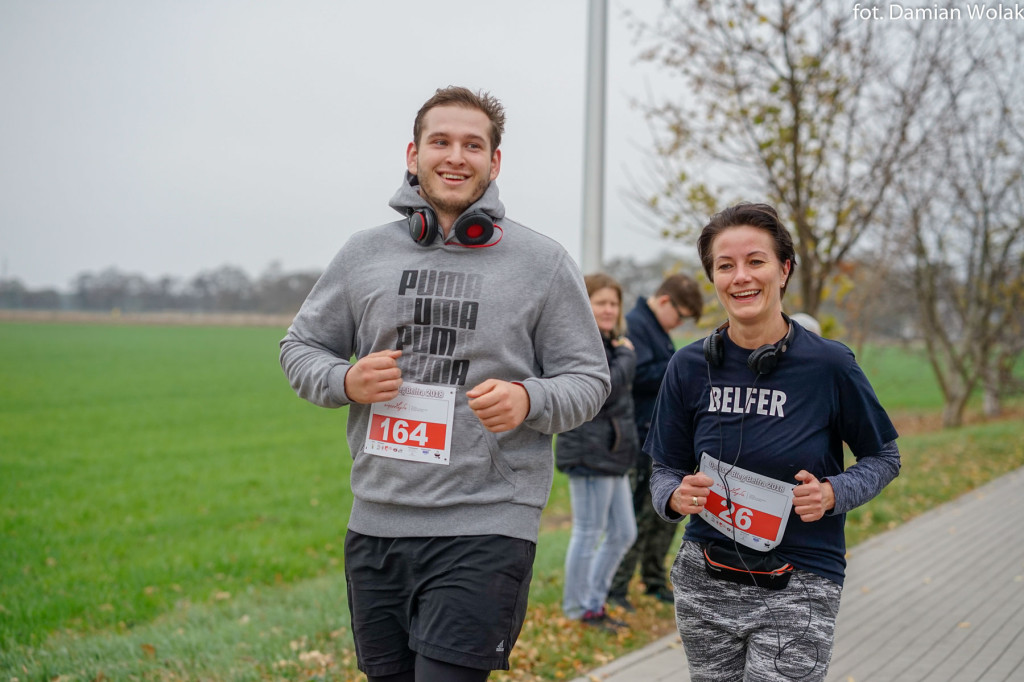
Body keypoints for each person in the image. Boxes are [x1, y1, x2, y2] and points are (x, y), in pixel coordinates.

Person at [279, 86, 611, 682]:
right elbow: (299, 348)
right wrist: (346, 379)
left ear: (494, 161)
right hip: (377, 521)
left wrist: (529, 398)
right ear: (413, 154)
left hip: (488, 522)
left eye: (472, 145)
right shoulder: (362, 254)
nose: (456, 156)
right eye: (441, 142)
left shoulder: (543, 262)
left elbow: (589, 379)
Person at [646, 202, 901, 681]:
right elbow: (664, 469)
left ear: (783, 270)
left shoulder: (829, 366)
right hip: (705, 580)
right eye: (726, 265)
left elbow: (884, 456)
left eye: (755, 261)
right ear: (713, 277)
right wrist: (675, 496)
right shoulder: (687, 367)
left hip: (800, 582)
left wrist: (833, 493)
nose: (741, 277)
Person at [608, 273, 703, 610]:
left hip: (657, 434)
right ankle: (617, 587)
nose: (679, 325)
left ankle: (653, 579)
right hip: (639, 435)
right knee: (637, 516)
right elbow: (635, 376)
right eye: (680, 316)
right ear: (664, 301)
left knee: (661, 516)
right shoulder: (634, 326)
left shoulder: (656, 330)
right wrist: (678, 368)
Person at [555, 273, 639, 631]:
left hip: (612, 452)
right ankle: (578, 608)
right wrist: (626, 356)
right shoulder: (582, 343)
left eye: (613, 303)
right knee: (589, 532)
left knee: (623, 533)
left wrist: (620, 351)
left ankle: (594, 602)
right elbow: (607, 388)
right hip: (589, 452)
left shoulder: (609, 343)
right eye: (601, 302)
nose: (608, 309)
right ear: (584, 304)